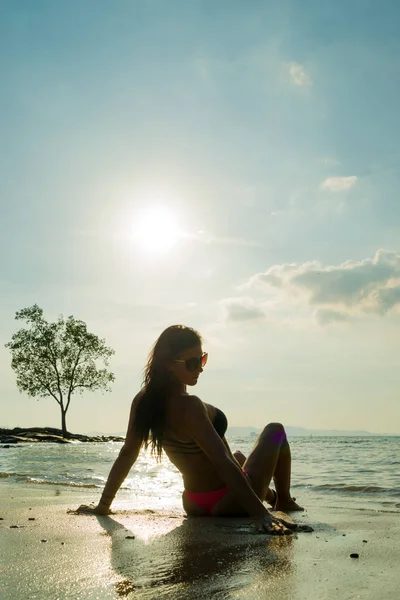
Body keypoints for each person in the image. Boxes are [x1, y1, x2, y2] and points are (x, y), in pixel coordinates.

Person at [78, 325, 306, 535]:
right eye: (191, 363)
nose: (200, 369)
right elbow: (222, 462)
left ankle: (274, 497)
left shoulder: (143, 401)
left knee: (238, 456)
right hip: (228, 502)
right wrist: (260, 515)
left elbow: (128, 453)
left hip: (194, 503)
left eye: (202, 360)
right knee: (275, 430)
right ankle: (283, 500)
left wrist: (103, 505)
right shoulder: (190, 405)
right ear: (168, 363)